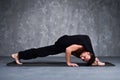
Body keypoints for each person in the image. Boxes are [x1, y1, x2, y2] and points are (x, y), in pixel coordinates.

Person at [11, 35, 105, 67]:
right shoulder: (79, 46)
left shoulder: (86, 51)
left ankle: (96, 61)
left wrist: (95, 61)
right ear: (87, 52)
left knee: (41, 51)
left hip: (68, 40)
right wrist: (68, 63)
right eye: (84, 57)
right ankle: (18, 55)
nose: (82, 58)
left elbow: (88, 55)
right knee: (42, 52)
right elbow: (68, 50)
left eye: (83, 60)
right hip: (63, 43)